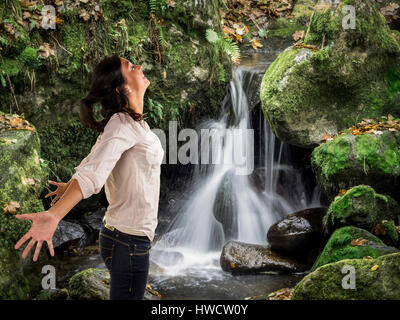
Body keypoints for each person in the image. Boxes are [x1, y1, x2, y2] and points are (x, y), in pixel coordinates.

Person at [14, 55, 165, 300]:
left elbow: (95, 159)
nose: (138, 66)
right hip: (126, 242)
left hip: (128, 239)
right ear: (123, 88)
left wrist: (71, 185)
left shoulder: (133, 125)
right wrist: (55, 214)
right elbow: (93, 173)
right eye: (129, 66)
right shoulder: (123, 124)